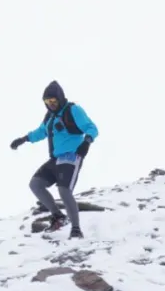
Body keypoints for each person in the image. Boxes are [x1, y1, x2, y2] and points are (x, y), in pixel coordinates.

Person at [10, 81, 99, 238]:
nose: (51, 104)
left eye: (53, 101)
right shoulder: (50, 117)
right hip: (55, 159)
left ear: (60, 99)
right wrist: (24, 139)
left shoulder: (73, 110)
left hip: (71, 156)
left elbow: (92, 128)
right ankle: (58, 216)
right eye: (47, 101)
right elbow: (41, 132)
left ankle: (76, 229)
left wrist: (87, 142)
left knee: (64, 190)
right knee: (35, 184)